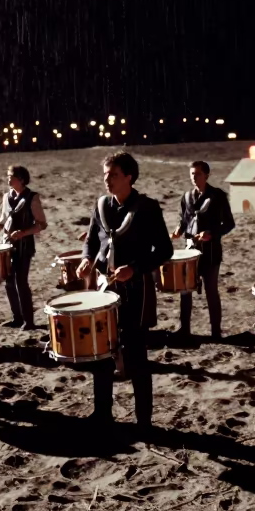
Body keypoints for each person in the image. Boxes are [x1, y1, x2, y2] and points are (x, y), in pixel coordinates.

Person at [78, 151, 173, 428]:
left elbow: (164, 249)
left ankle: (144, 420)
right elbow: (93, 242)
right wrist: (86, 260)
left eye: (114, 175)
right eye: (105, 174)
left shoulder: (147, 208)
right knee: (102, 353)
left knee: (136, 355)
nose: (107, 180)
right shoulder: (100, 206)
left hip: (136, 290)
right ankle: (102, 413)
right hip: (105, 289)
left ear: (129, 177)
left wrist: (134, 267)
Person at [170, 160, 234, 341]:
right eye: (192, 174)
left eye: (198, 174)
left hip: (211, 251)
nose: (194, 177)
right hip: (190, 252)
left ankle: (215, 332)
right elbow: (184, 220)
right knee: (185, 290)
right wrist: (178, 231)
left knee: (211, 291)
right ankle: (185, 329)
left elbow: (229, 223)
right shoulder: (187, 197)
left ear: (206, 175)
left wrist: (212, 234)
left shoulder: (218, 196)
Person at [0, 165, 47, 329]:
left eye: (11, 176)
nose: (8, 179)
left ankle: (29, 321)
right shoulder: (7, 197)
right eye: (8, 176)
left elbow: (42, 224)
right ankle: (17, 318)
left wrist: (24, 232)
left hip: (24, 246)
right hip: (7, 245)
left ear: (21, 179)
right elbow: (3, 218)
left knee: (21, 281)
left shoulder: (32, 198)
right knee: (8, 282)